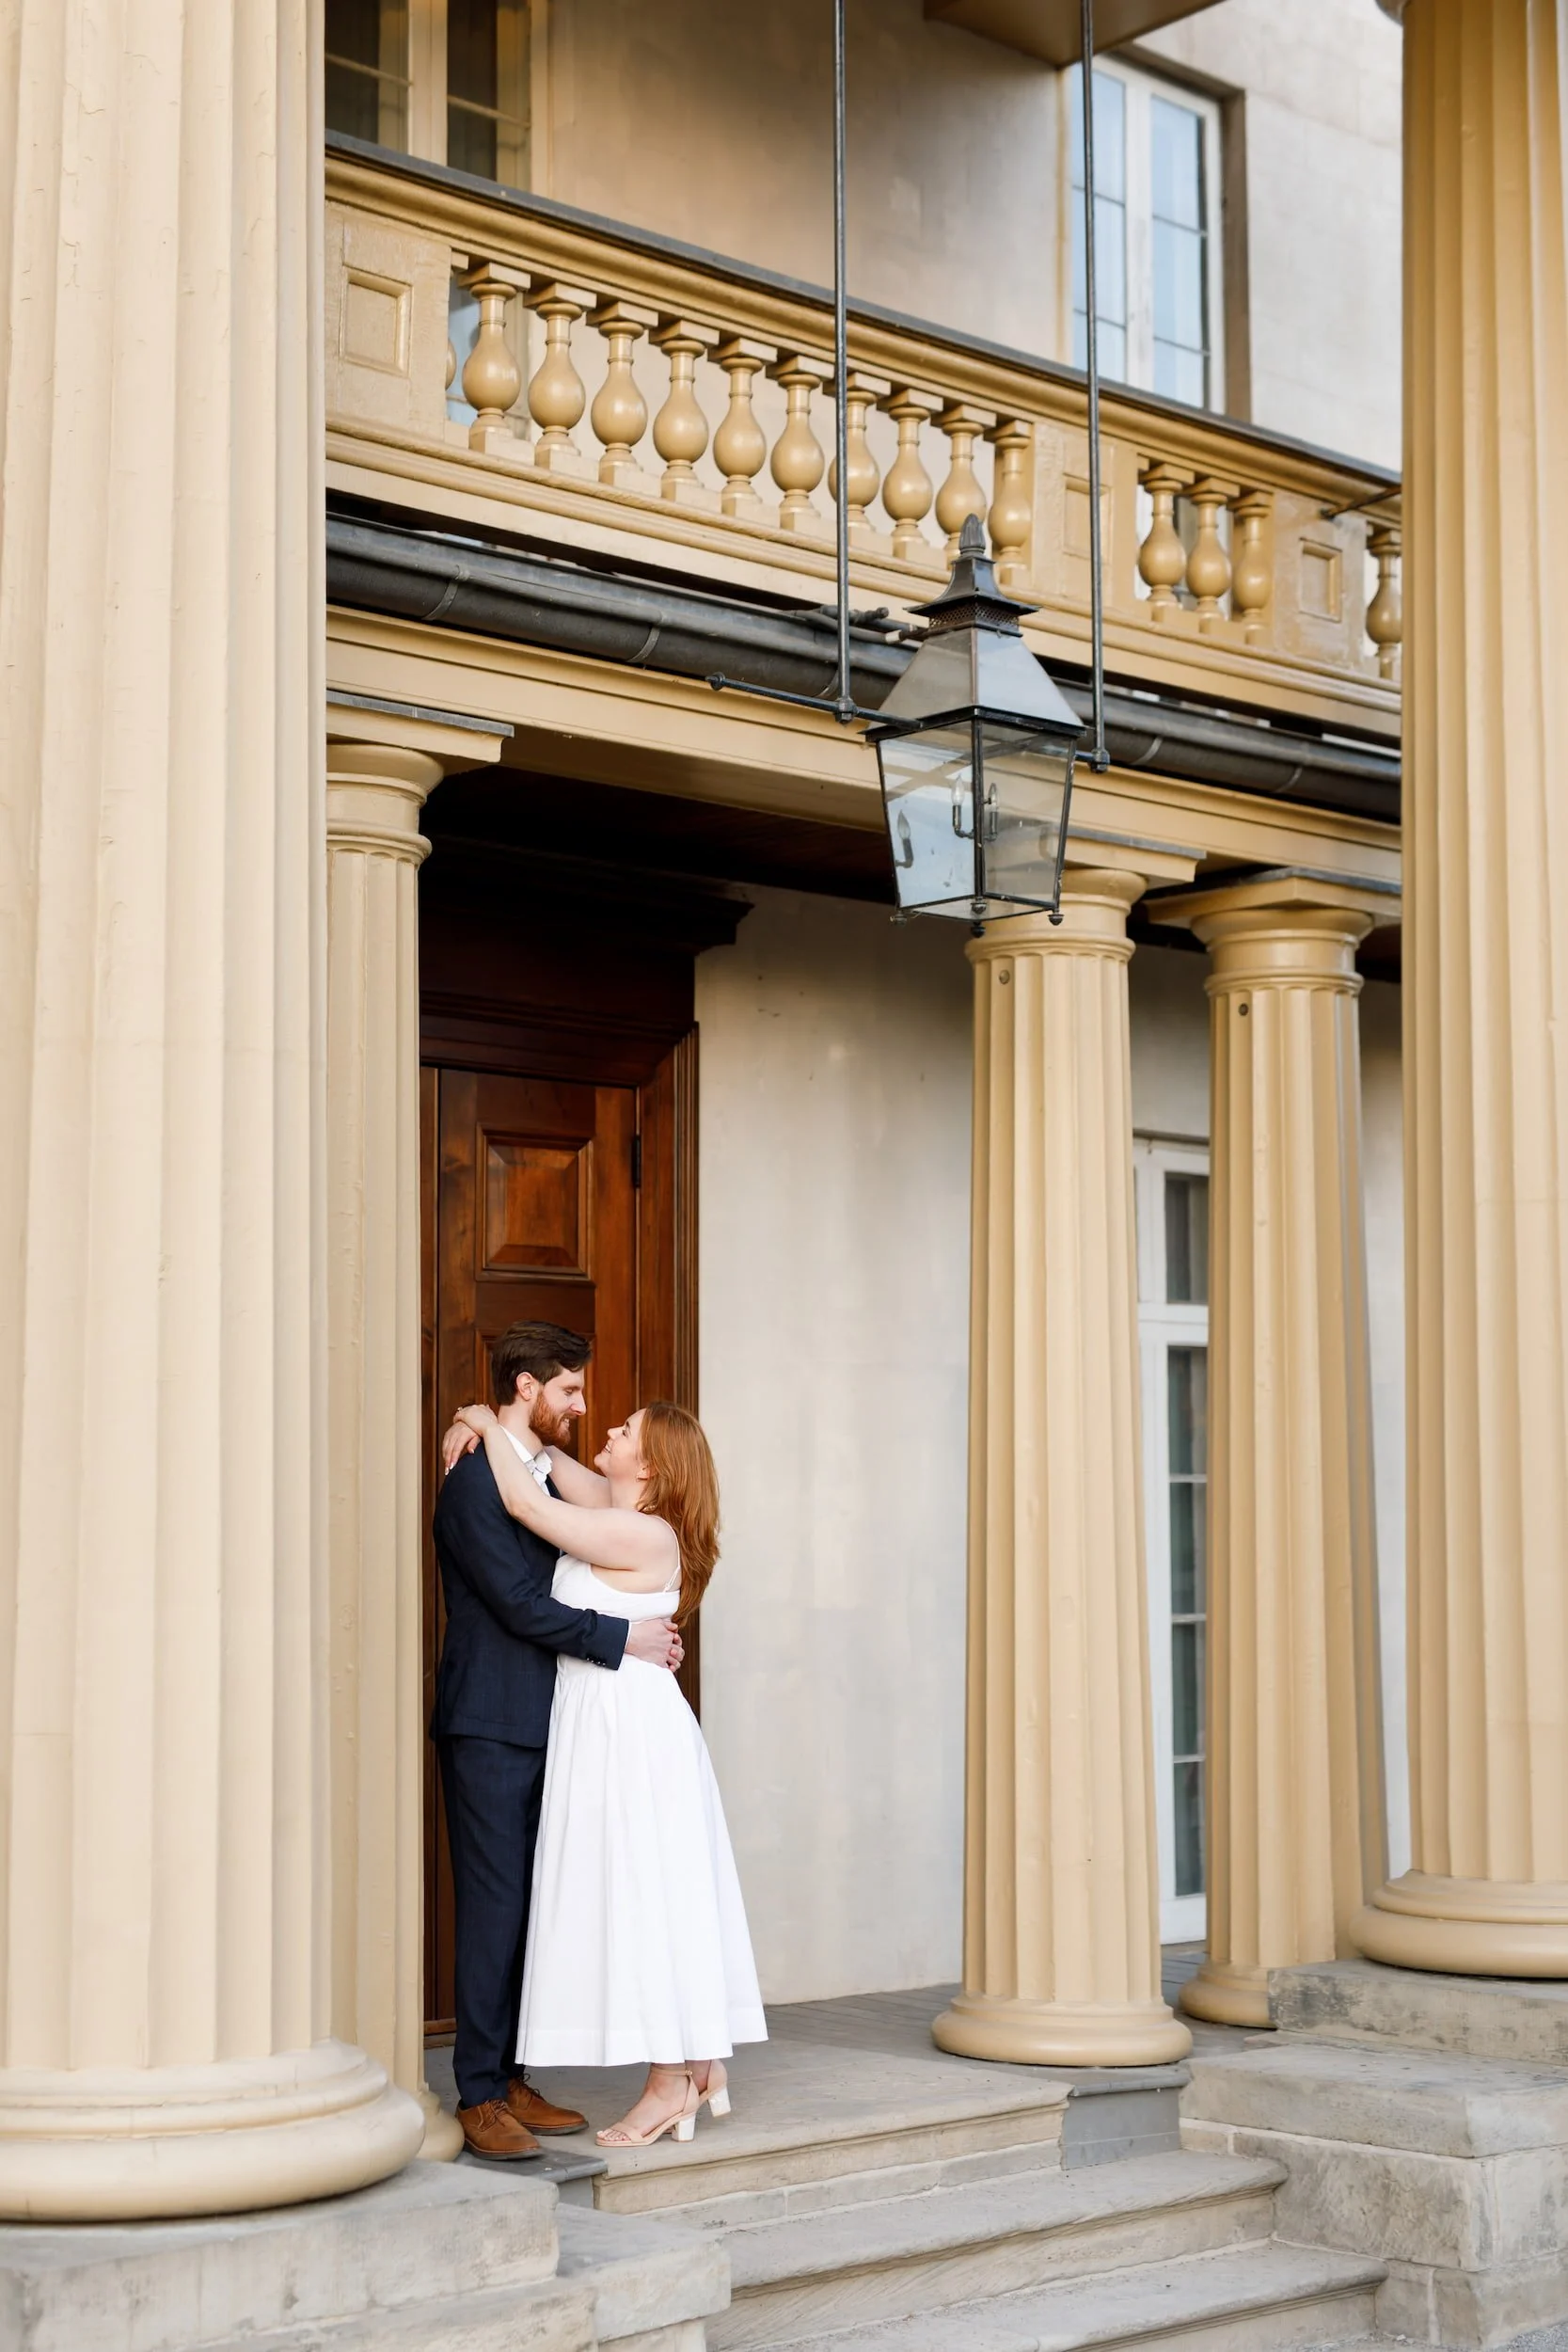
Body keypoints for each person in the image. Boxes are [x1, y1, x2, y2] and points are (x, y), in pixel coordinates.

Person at [443, 1391, 766, 2148]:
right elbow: (548, 1463)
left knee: (643, 1890)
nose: (606, 1429)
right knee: (638, 1889)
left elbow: (527, 1504)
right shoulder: (619, 1507)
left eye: (624, 1432)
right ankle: (693, 2063)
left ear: (647, 1466)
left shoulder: (641, 1532)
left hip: (629, 1731)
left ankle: (671, 2079)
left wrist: (484, 1423)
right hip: (604, 1722)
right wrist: (498, 1421)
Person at [431, 1321, 685, 2162]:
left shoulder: (535, 1469)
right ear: (529, 1386)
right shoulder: (475, 1477)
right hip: (491, 1721)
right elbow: (515, 1602)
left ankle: (511, 2077)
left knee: (532, 1907)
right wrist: (623, 1640)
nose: (581, 1405)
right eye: (570, 1389)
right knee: (494, 1907)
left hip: (556, 1722)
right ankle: (477, 2094)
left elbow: (585, 1527)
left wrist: (474, 1412)